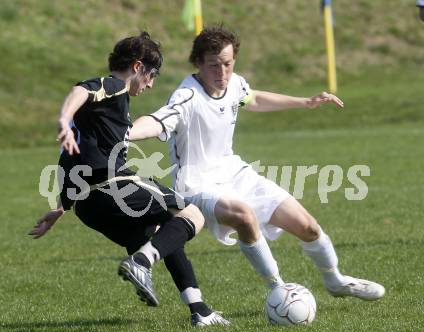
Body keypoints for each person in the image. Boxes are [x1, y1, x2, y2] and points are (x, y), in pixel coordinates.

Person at [129, 26, 385, 301]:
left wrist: (305, 102)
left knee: (307, 226)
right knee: (244, 216)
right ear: (199, 64)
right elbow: (156, 122)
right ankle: (279, 289)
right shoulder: (187, 96)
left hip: (235, 173)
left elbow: (254, 98)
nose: (222, 72)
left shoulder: (234, 83)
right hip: (196, 183)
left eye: (227, 64)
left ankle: (336, 280)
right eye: (214, 65)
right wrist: (125, 134)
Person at [29, 32, 229, 327]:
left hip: (88, 206)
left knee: (162, 235)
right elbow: (81, 90)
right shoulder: (112, 87)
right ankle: (141, 263)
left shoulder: (97, 116)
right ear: (137, 67)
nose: (151, 84)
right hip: (112, 188)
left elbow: (70, 159)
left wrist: (61, 207)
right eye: (152, 75)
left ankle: (199, 309)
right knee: (192, 214)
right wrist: (62, 119)